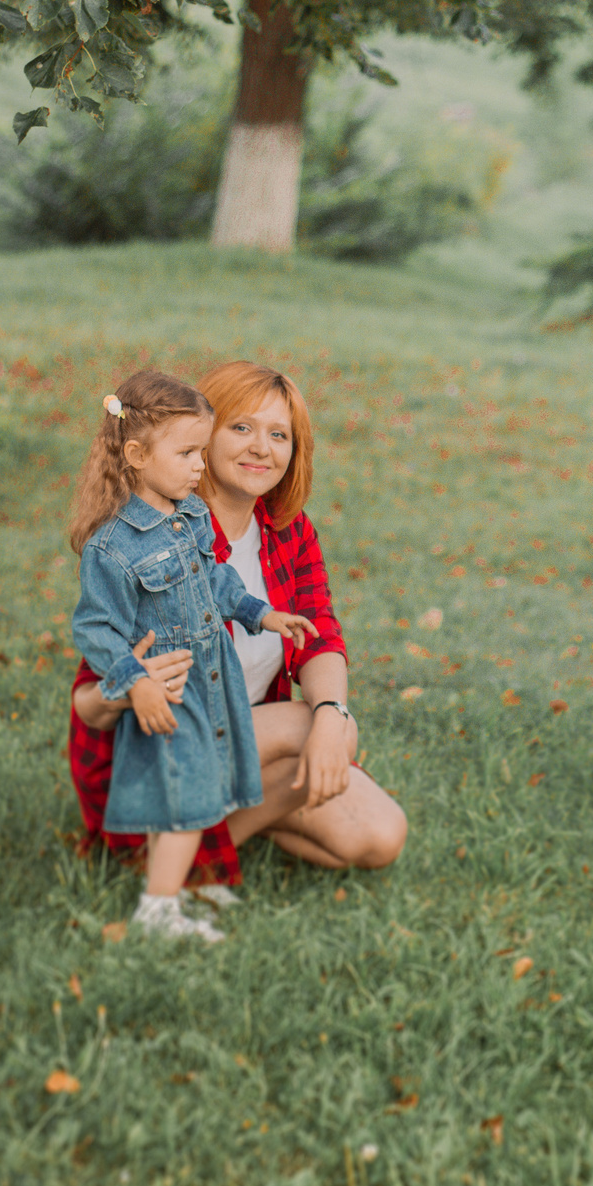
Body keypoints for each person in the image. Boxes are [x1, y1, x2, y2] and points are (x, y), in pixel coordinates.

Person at [68, 360, 406, 893]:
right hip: (160, 757)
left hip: (241, 741)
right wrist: (135, 686)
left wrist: (331, 718)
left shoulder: (286, 530)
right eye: (241, 428)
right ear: (199, 437)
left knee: (378, 834)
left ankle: (219, 832)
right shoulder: (157, 537)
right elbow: (89, 702)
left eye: (279, 435)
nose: (261, 448)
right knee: (310, 728)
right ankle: (182, 869)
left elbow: (318, 630)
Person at [68, 368, 316, 943]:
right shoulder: (111, 547)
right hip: (169, 689)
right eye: (187, 454)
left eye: (202, 452)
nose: (199, 467)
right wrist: (136, 682)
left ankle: (181, 888)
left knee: (202, 788)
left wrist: (260, 613)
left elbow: (216, 579)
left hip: (212, 682)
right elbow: (96, 630)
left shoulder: (192, 517)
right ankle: (158, 910)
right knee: (181, 795)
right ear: (135, 454)